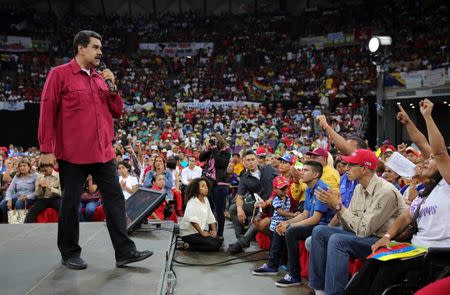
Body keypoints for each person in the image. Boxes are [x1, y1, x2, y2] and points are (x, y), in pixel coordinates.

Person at [38, 30, 152, 269]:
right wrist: (46, 149)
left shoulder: (101, 78)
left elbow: (117, 111)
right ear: (81, 48)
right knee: (69, 203)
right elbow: (47, 111)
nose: (100, 52)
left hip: (103, 153)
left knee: (115, 200)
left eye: (101, 48)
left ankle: (124, 252)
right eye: (95, 47)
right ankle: (69, 252)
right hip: (72, 154)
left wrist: (113, 86)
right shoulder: (59, 75)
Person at [344, 99, 450, 295]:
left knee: (384, 276)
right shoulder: (424, 192)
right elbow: (404, 218)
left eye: (432, 160)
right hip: (412, 248)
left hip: (435, 255)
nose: (426, 161)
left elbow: (438, 151)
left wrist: (427, 117)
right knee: (371, 263)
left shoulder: (447, 184)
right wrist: (386, 237)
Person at [309, 149, 407, 295]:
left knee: (337, 240)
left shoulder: (385, 192)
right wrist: (335, 207)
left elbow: (363, 231)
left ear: (364, 168)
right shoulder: (359, 188)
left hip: (381, 241)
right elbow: (351, 226)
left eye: (351, 165)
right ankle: (319, 289)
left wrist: (339, 207)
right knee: (319, 231)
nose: (346, 168)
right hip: (365, 236)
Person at [274, 161, 335, 287]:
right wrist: (286, 222)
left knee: (291, 231)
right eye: (302, 169)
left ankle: (294, 275)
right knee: (280, 225)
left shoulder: (321, 189)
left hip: (323, 227)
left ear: (316, 174)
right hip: (314, 224)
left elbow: (315, 219)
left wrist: (290, 226)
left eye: (305, 170)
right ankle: (274, 264)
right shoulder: (309, 188)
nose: (301, 172)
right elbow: (305, 214)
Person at [227, 150, 278, 254]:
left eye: (253, 159)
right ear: (244, 162)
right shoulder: (244, 178)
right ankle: (241, 239)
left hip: (274, 203)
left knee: (258, 218)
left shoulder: (268, 169)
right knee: (233, 208)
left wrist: (270, 200)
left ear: (257, 160)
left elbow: (281, 181)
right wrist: (240, 208)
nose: (251, 162)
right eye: (248, 160)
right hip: (259, 206)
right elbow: (239, 197)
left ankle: (242, 242)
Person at [252, 175, 297, 276]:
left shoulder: (287, 198)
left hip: (283, 227)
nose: (285, 190)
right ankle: (272, 265)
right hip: (275, 229)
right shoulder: (276, 199)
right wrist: (293, 215)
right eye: (282, 189)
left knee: (283, 247)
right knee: (275, 247)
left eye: (286, 188)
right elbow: (281, 212)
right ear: (275, 189)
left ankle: (280, 263)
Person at [199, 134, 231, 238]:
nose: (211, 142)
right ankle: (211, 231)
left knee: (219, 211)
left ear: (219, 140)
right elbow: (200, 158)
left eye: (213, 140)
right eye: (210, 140)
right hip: (209, 183)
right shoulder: (210, 151)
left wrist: (215, 149)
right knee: (209, 209)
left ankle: (220, 234)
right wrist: (208, 148)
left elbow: (220, 164)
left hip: (220, 184)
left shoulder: (226, 151)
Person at [179, 177, 223, 251]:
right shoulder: (193, 201)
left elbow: (210, 217)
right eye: (203, 186)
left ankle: (192, 244)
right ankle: (188, 246)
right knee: (214, 245)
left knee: (219, 240)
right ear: (196, 189)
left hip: (198, 232)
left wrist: (214, 231)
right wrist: (202, 233)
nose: (206, 188)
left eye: (206, 186)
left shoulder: (205, 199)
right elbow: (193, 221)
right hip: (188, 234)